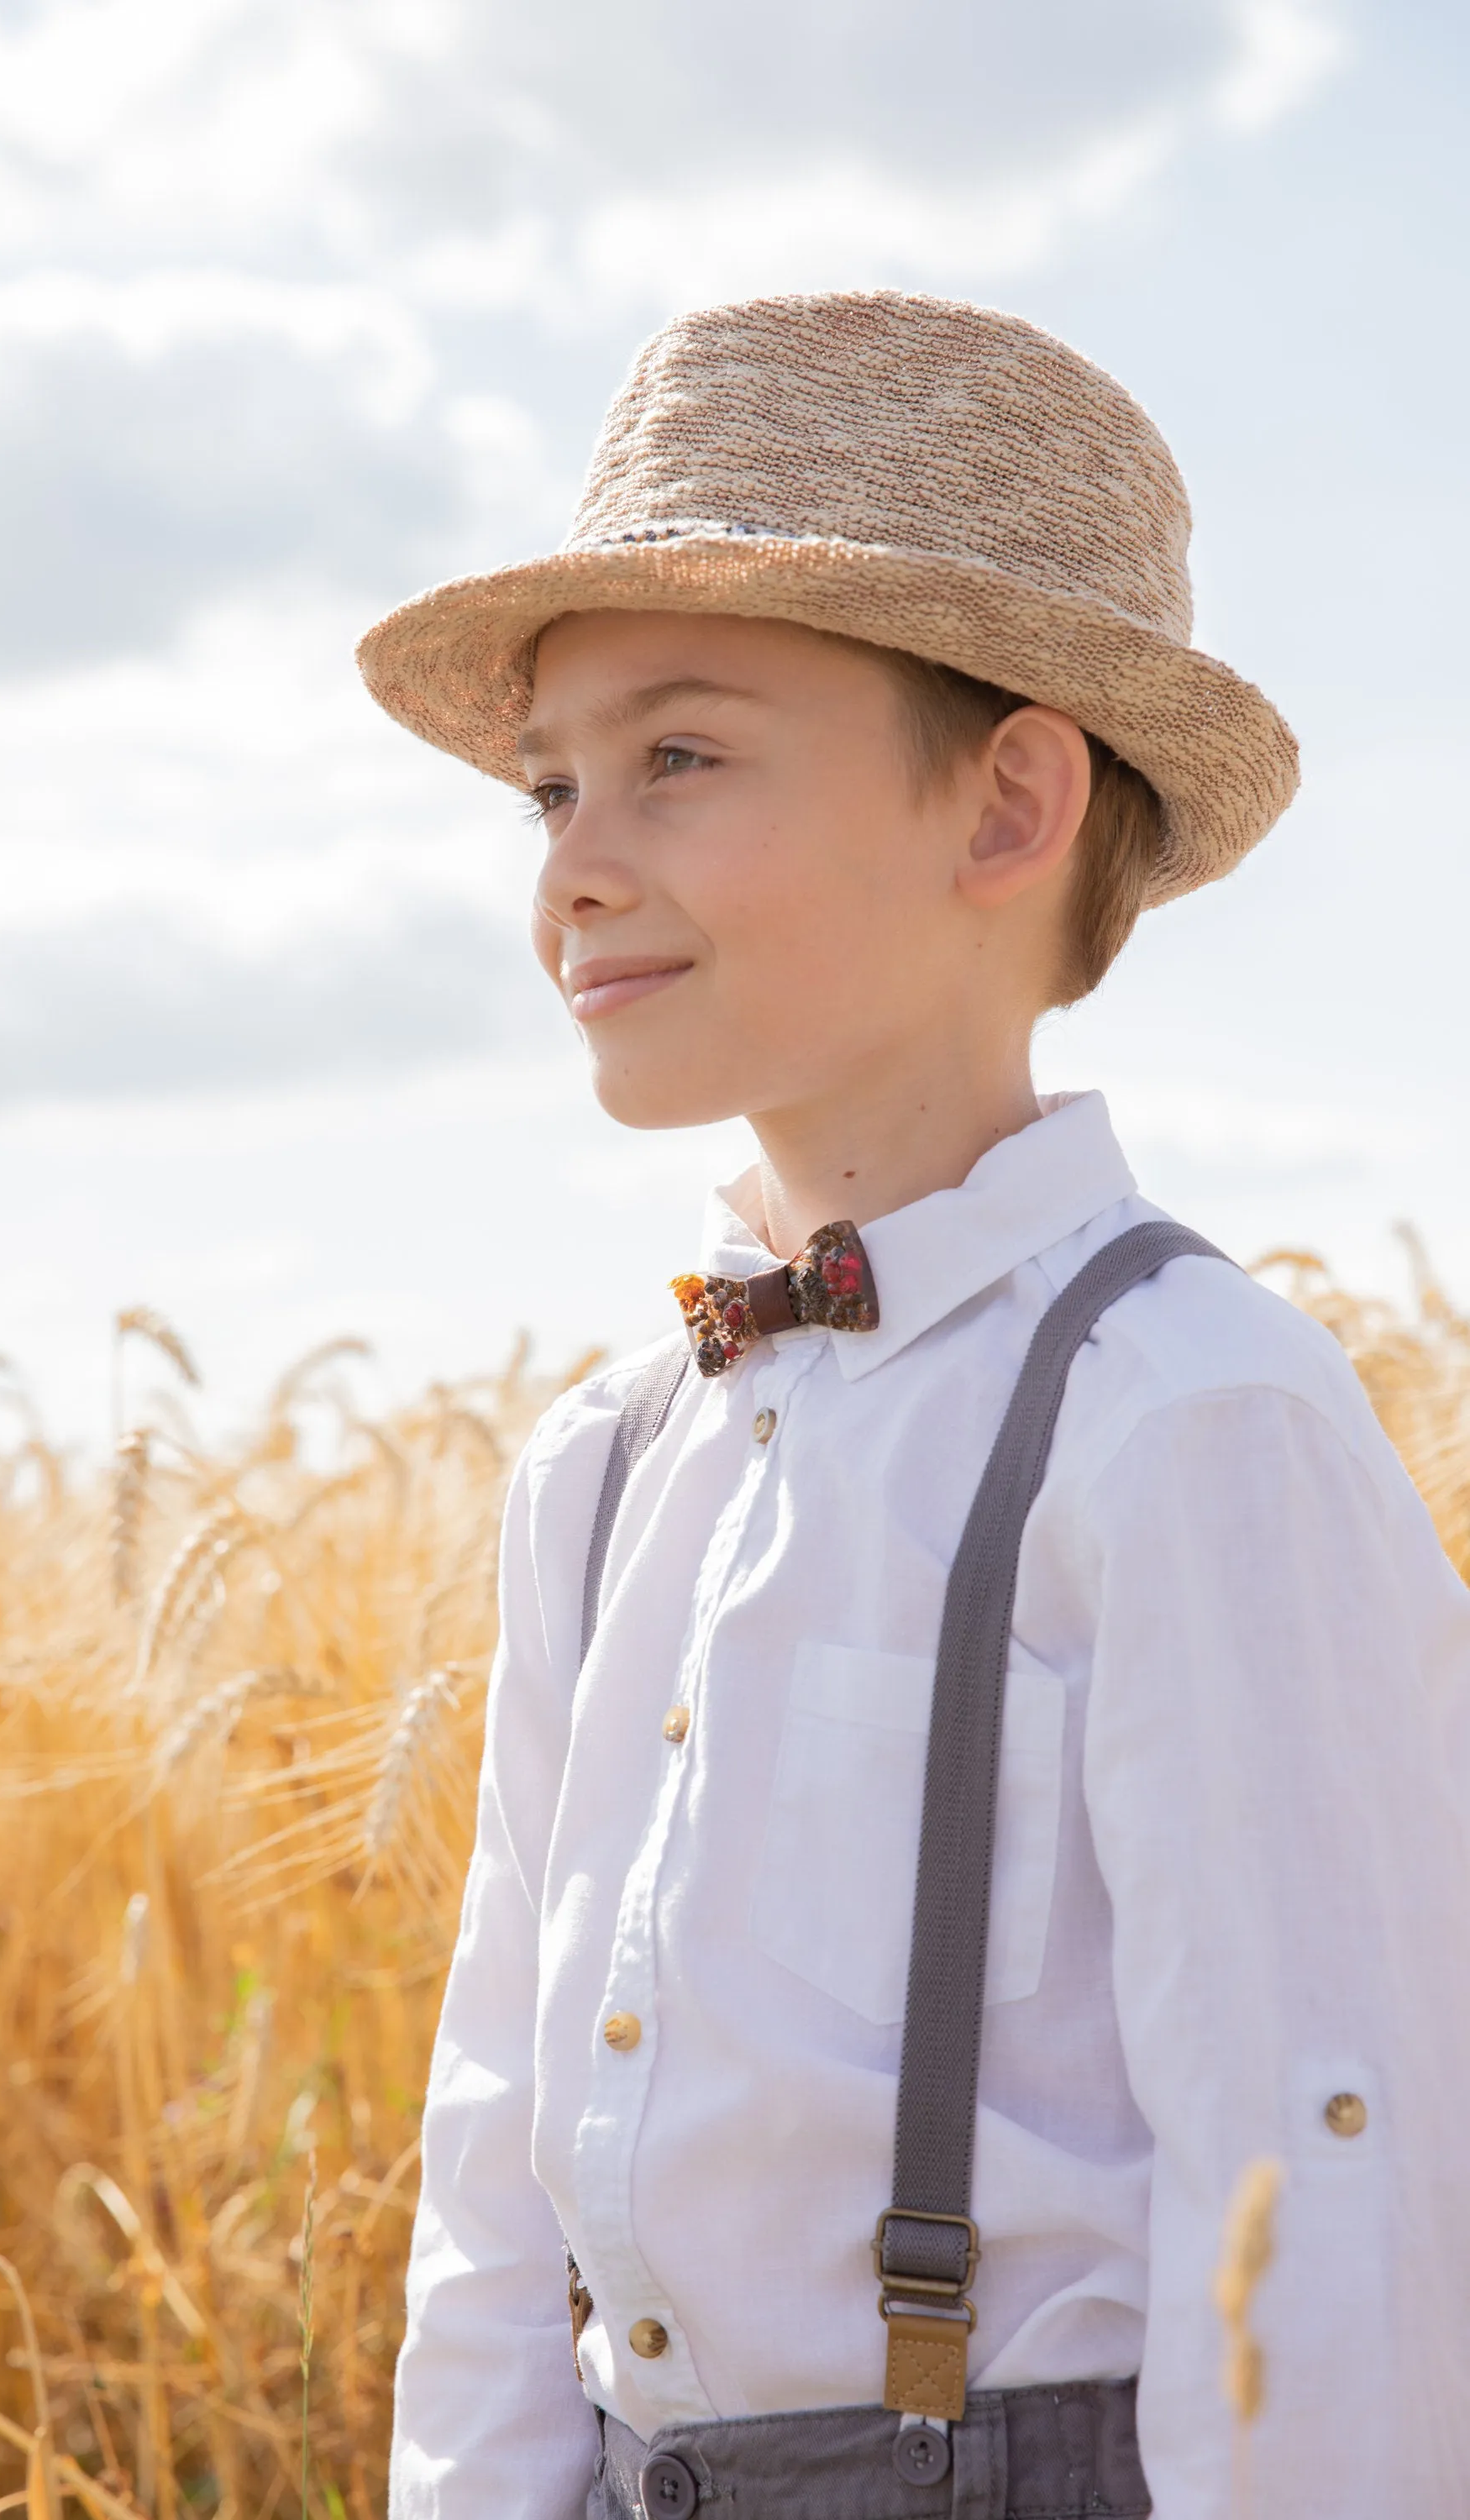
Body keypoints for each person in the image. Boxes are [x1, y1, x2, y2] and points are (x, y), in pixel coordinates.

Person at [356, 291, 1470, 2519]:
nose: (571, 858)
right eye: (552, 783)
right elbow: (499, 2158)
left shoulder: (1186, 1419)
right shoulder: (607, 1460)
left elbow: (1331, 2235)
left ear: (1015, 803)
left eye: (678, 757)